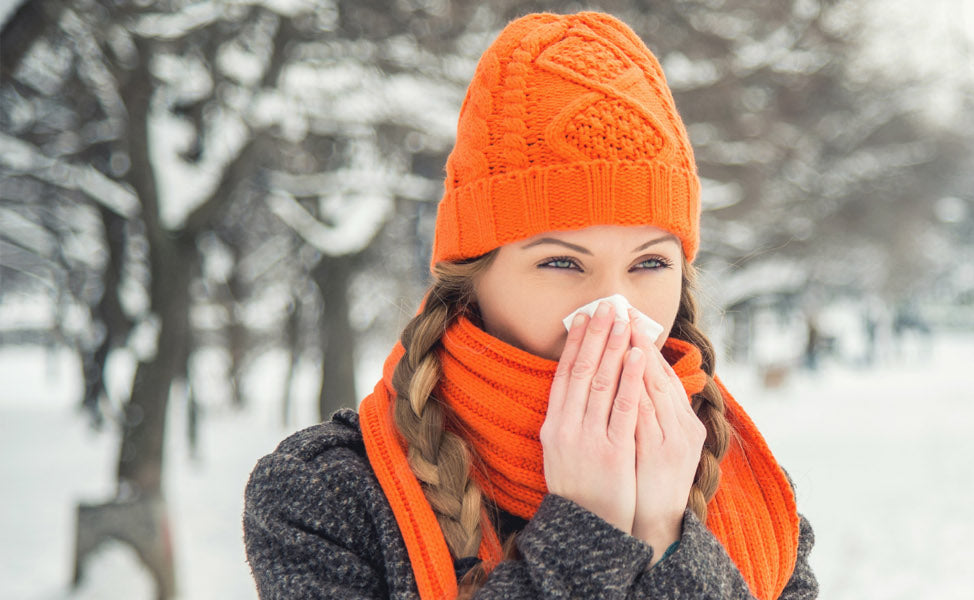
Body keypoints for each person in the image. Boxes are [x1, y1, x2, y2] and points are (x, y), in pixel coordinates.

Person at [242, 11, 816, 599]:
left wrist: (669, 538)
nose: (614, 308)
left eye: (650, 263)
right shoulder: (326, 497)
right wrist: (587, 532)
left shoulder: (753, 493)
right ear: (471, 278)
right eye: (562, 263)